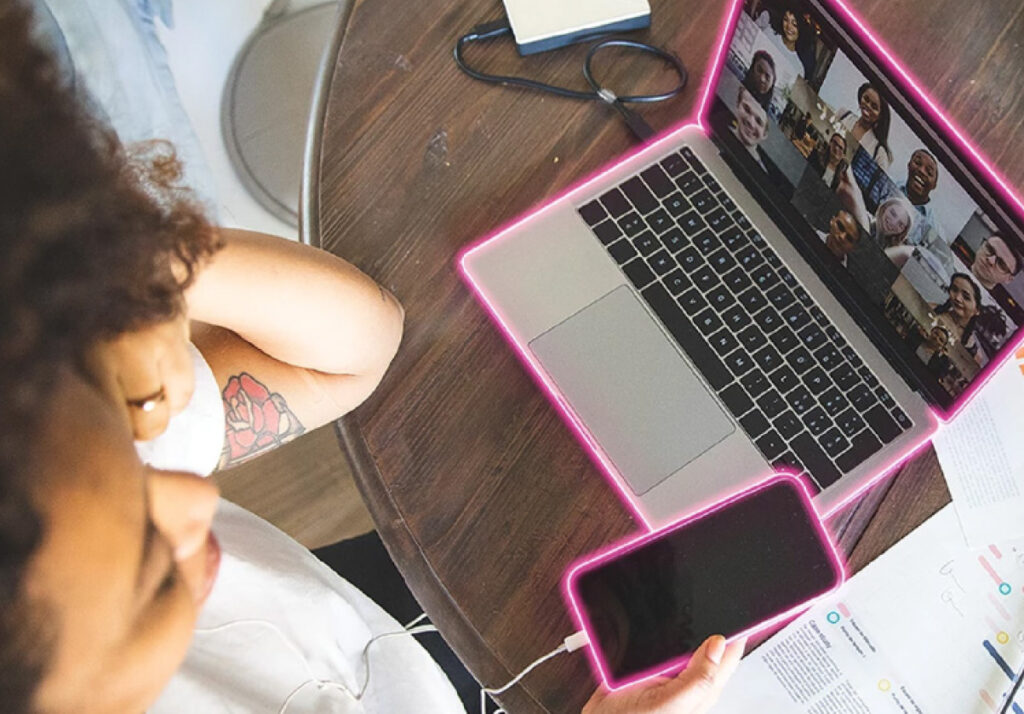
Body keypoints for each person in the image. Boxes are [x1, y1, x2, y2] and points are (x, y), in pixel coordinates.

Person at [0, 5, 748, 713]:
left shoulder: (55, 480)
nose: (195, 498)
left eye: (139, 472)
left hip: (379, 640)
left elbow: (352, 350)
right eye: (149, 577)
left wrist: (137, 263)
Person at [837, 83, 893, 170]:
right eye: (866, 99)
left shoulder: (879, 153)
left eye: (874, 107)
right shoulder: (843, 115)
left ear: (880, 115)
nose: (868, 106)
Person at [931, 273, 983, 361]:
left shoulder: (974, 353)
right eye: (954, 290)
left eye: (966, 297)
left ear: (977, 310)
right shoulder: (932, 309)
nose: (957, 298)